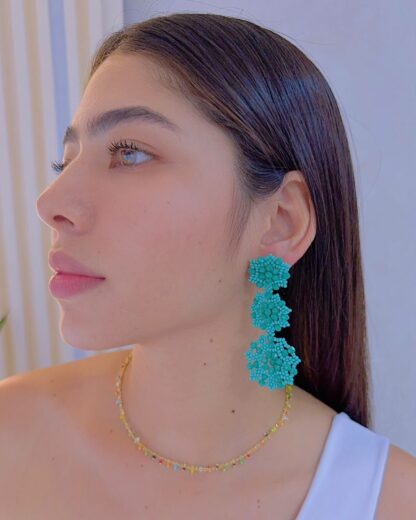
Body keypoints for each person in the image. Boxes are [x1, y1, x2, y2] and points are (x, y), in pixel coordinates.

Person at [1, 12, 415, 519]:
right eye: (65, 162)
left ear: (281, 221)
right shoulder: (9, 435)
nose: (51, 202)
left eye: (129, 154)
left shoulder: (391, 501)